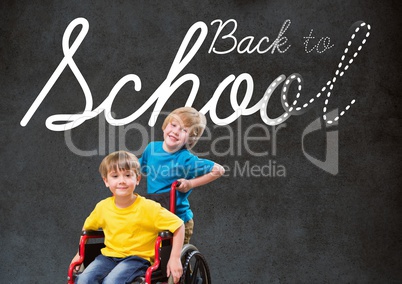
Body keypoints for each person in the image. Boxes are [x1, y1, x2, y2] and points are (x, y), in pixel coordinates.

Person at [70, 151, 184, 284]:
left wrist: (175, 258)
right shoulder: (103, 207)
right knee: (83, 280)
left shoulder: (149, 208)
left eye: (128, 175)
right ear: (106, 181)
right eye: (115, 176)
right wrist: (79, 254)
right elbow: (87, 228)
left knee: (111, 282)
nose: (122, 181)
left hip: (137, 259)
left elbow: (178, 225)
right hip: (108, 257)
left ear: (138, 179)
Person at [139, 107, 225, 244]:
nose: (175, 132)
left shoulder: (186, 159)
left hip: (178, 220)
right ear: (165, 125)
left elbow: (219, 170)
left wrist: (190, 184)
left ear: (190, 140)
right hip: (155, 215)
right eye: (173, 125)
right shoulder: (151, 149)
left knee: (173, 260)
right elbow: (137, 168)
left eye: (184, 130)